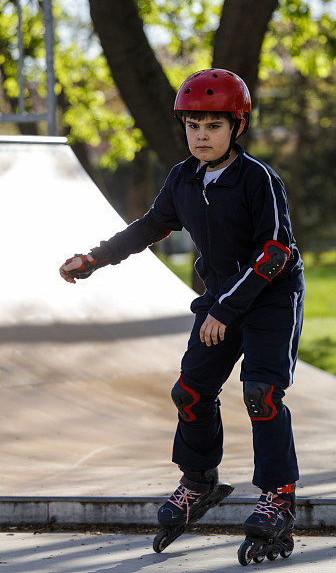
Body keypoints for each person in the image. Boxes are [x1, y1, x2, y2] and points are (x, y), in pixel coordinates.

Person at [59, 68, 305, 552]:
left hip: (270, 298)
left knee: (261, 393)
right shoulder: (183, 179)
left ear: (237, 126)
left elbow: (275, 254)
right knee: (190, 393)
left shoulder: (259, 179)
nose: (201, 136)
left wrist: (227, 311)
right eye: (193, 126)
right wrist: (95, 258)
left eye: (213, 126)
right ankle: (199, 482)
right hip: (221, 298)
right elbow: (150, 225)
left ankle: (279, 496)